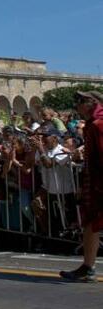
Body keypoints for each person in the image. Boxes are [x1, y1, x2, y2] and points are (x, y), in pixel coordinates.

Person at [60, 90, 103, 282]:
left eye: (80, 101)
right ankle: (88, 266)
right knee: (90, 223)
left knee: (91, 222)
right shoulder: (92, 125)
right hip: (93, 180)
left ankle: (88, 266)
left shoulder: (98, 124)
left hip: (99, 181)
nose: (77, 105)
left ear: (92, 103)